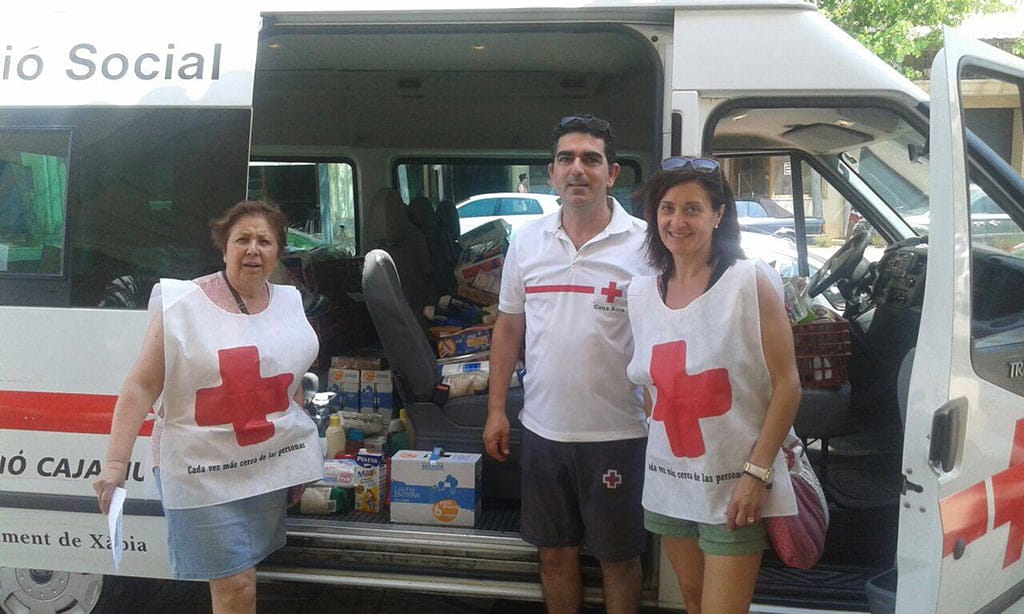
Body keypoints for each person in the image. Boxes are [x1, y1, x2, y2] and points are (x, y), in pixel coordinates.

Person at [93, 200, 324, 614]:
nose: (253, 249)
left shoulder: (289, 304)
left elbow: (290, 389)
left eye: (264, 241)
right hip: (200, 469)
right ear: (224, 248)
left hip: (262, 463)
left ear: (278, 252)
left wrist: (294, 464)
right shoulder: (184, 306)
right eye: (242, 239)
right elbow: (140, 387)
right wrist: (114, 465)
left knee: (245, 574)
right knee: (235, 583)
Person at [484, 114, 653, 613]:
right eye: (566, 159)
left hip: (620, 433)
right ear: (552, 173)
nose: (578, 169)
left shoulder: (646, 243)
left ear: (612, 173)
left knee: (618, 558)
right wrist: (496, 410)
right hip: (544, 431)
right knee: (554, 555)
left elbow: (665, 336)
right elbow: (508, 328)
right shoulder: (527, 241)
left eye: (591, 159)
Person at [626, 157, 801, 613]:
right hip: (670, 479)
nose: (677, 221)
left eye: (693, 209)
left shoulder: (749, 282)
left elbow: (787, 385)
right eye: (667, 209)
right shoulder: (640, 294)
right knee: (691, 599)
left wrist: (756, 475)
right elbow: (651, 389)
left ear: (719, 215)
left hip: (733, 484)